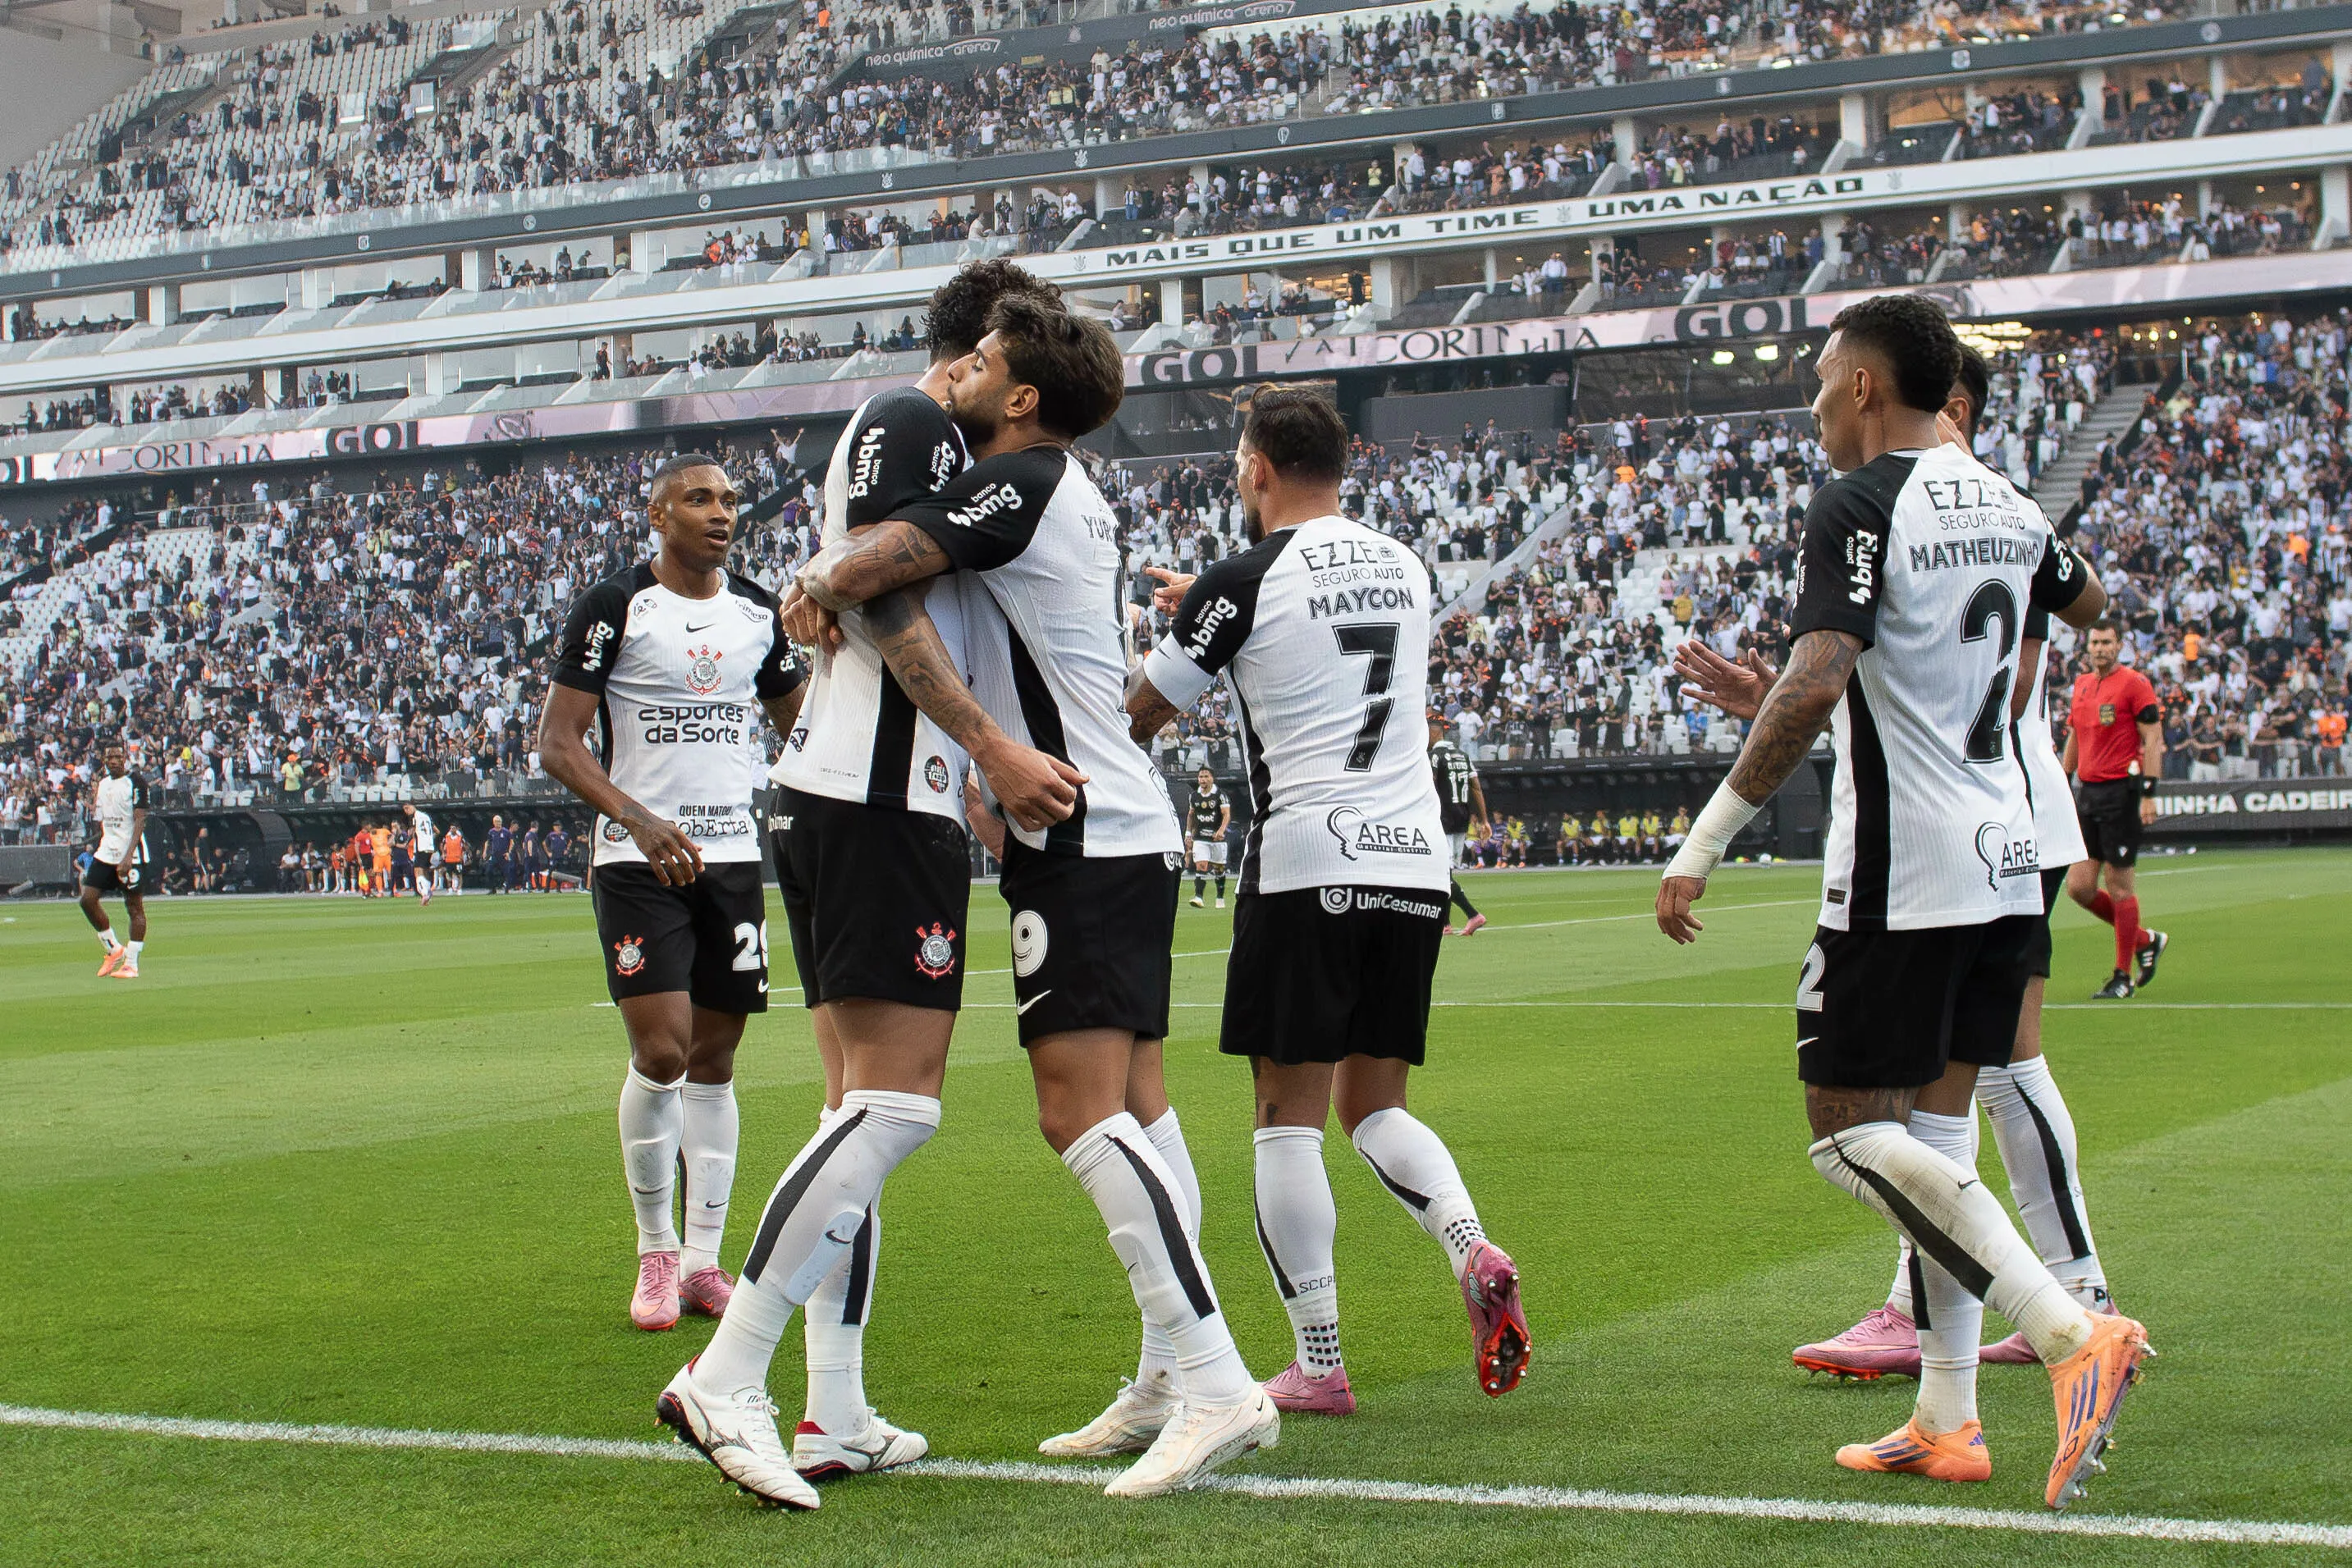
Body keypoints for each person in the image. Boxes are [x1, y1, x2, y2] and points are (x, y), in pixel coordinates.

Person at [717, 293, 1273, 1505]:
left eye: (979, 363)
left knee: (1078, 1114)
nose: (952, 377)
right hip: (1098, 824)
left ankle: (1215, 1379)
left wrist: (819, 573)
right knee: (1131, 1110)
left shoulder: (1021, 481)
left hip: (1085, 829)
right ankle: (1172, 1374)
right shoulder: (1047, 486)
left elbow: (873, 566)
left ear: (1020, 397)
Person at [1654, 295, 2148, 1511]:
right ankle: (1946, 1416)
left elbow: (1820, 674)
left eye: (1825, 379)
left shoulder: (1859, 502)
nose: (1816, 401)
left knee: (1844, 1130)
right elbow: (2088, 602)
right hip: (2007, 855)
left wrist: (1704, 840)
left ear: (1867, 386)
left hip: (1905, 870)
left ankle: (2067, 1327)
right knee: (1935, 1137)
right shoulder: (2013, 505)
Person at [722, 259, 1075, 1496]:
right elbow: (878, 594)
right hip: (874, 798)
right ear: (974, 352)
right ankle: (728, 1374)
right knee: (895, 1109)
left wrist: (820, 575)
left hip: (859, 792)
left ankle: (834, 1409)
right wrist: (988, 749)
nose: (1009, 380)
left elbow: (855, 569)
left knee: (853, 1116)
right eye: (1006, 355)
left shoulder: (923, 439)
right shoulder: (914, 417)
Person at [1127, 386, 1530, 1420]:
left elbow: (1142, 710)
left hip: (1308, 861)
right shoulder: (1405, 564)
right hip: (1412, 865)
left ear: (1256, 467)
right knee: (1376, 1104)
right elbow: (1316, 625)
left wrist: (1197, 615)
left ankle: (1319, 1361)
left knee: (1285, 1118)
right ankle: (1469, 1244)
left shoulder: (1242, 577)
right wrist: (1213, 605)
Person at [538, 453, 808, 1342]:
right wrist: (639, 819)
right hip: (637, 862)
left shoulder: (760, 613)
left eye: (729, 500)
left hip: (732, 860)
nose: (721, 512)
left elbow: (801, 730)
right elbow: (559, 743)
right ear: (659, 515)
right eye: (699, 499)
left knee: (716, 1061)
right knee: (662, 1053)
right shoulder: (616, 606)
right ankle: (654, 1250)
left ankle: (701, 1261)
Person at [2064, 621, 2167, 999]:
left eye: (2107, 642)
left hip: (2121, 792)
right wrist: (2063, 779)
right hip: (2088, 792)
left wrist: (2149, 793)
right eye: (2095, 642)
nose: (2100, 648)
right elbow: (2075, 735)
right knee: (2079, 887)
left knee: (2119, 886)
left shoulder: (2134, 684)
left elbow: (2153, 738)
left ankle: (2122, 976)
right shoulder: (2081, 685)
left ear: (2119, 645)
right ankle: (2145, 941)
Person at [80, 741, 150, 980]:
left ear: (124, 758)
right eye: (109, 757)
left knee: (134, 906)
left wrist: (128, 856)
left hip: (131, 853)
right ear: (104, 760)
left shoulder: (136, 782)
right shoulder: (103, 784)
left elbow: (140, 820)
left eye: (117, 757)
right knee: (87, 900)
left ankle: (131, 964)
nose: (113, 761)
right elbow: (104, 820)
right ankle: (113, 949)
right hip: (106, 851)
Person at [1427, 717, 1487, 935]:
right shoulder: (1463, 755)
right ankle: (1445, 924)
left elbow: (1430, 784)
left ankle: (1473, 915)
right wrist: (1485, 820)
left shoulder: (1434, 756)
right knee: (1446, 870)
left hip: (1442, 818)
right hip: (1461, 819)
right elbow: (1476, 788)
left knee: (1440, 874)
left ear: (1434, 733)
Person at [1184, 766, 1231, 907]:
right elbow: (1191, 815)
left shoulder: (1220, 795)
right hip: (1200, 837)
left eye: (1206, 776)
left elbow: (1226, 815)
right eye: (1201, 777)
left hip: (1217, 839)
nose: (1203, 780)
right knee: (1201, 865)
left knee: (1219, 869)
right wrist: (1188, 834)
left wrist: (1221, 830)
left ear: (1212, 778)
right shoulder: (1194, 796)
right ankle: (1198, 897)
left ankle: (1220, 898)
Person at [485, 816, 512, 893]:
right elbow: (488, 842)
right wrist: (485, 852)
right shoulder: (491, 832)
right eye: (496, 821)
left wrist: (508, 852)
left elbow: (512, 842)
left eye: (499, 821)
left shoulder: (506, 832)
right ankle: (493, 888)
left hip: (504, 855)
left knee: (507, 872)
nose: (498, 823)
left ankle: (507, 888)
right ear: (494, 823)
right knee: (489, 870)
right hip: (494, 855)